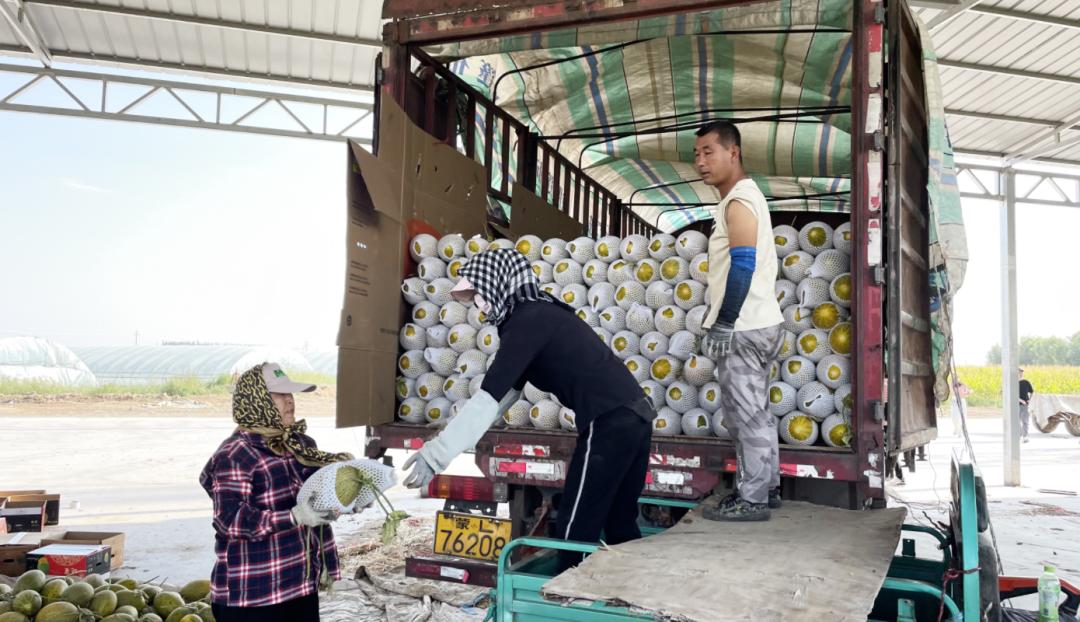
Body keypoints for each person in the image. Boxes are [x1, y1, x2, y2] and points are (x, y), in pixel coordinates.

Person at [402, 248, 656, 558]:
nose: (480, 307)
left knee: (576, 526)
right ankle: (627, 590)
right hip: (636, 415)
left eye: (480, 294)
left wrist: (435, 455)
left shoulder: (528, 321)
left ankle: (567, 595)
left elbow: (489, 396)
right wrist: (452, 434)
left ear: (498, 282)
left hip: (610, 421)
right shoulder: (540, 314)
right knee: (619, 522)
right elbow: (505, 396)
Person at [200, 363, 353, 622]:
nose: (289, 401)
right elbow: (230, 520)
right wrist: (293, 516)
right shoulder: (236, 454)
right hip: (255, 595)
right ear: (256, 401)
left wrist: (348, 496)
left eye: (290, 394)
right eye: (279, 395)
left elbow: (319, 498)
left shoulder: (300, 445)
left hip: (300, 585)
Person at [693, 120, 785, 522]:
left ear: (734, 152)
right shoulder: (740, 199)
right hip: (757, 322)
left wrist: (725, 322)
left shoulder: (740, 201)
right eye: (696, 154)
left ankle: (753, 500)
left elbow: (743, 263)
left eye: (709, 152)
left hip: (746, 325)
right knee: (756, 410)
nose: (700, 161)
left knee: (745, 414)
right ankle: (768, 488)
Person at [1019, 368, 1034, 443]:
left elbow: (1031, 392)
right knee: (1016, 422)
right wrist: (1019, 400)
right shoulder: (1012, 383)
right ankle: (1018, 435)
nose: (1020, 374)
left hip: (1025, 405)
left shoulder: (1026, 382)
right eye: (1019, 372)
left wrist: (1029, 400)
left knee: (1025, 421)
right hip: (1015, 405)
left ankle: (1025, 436)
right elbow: (1011, 394)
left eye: (1021, 372)